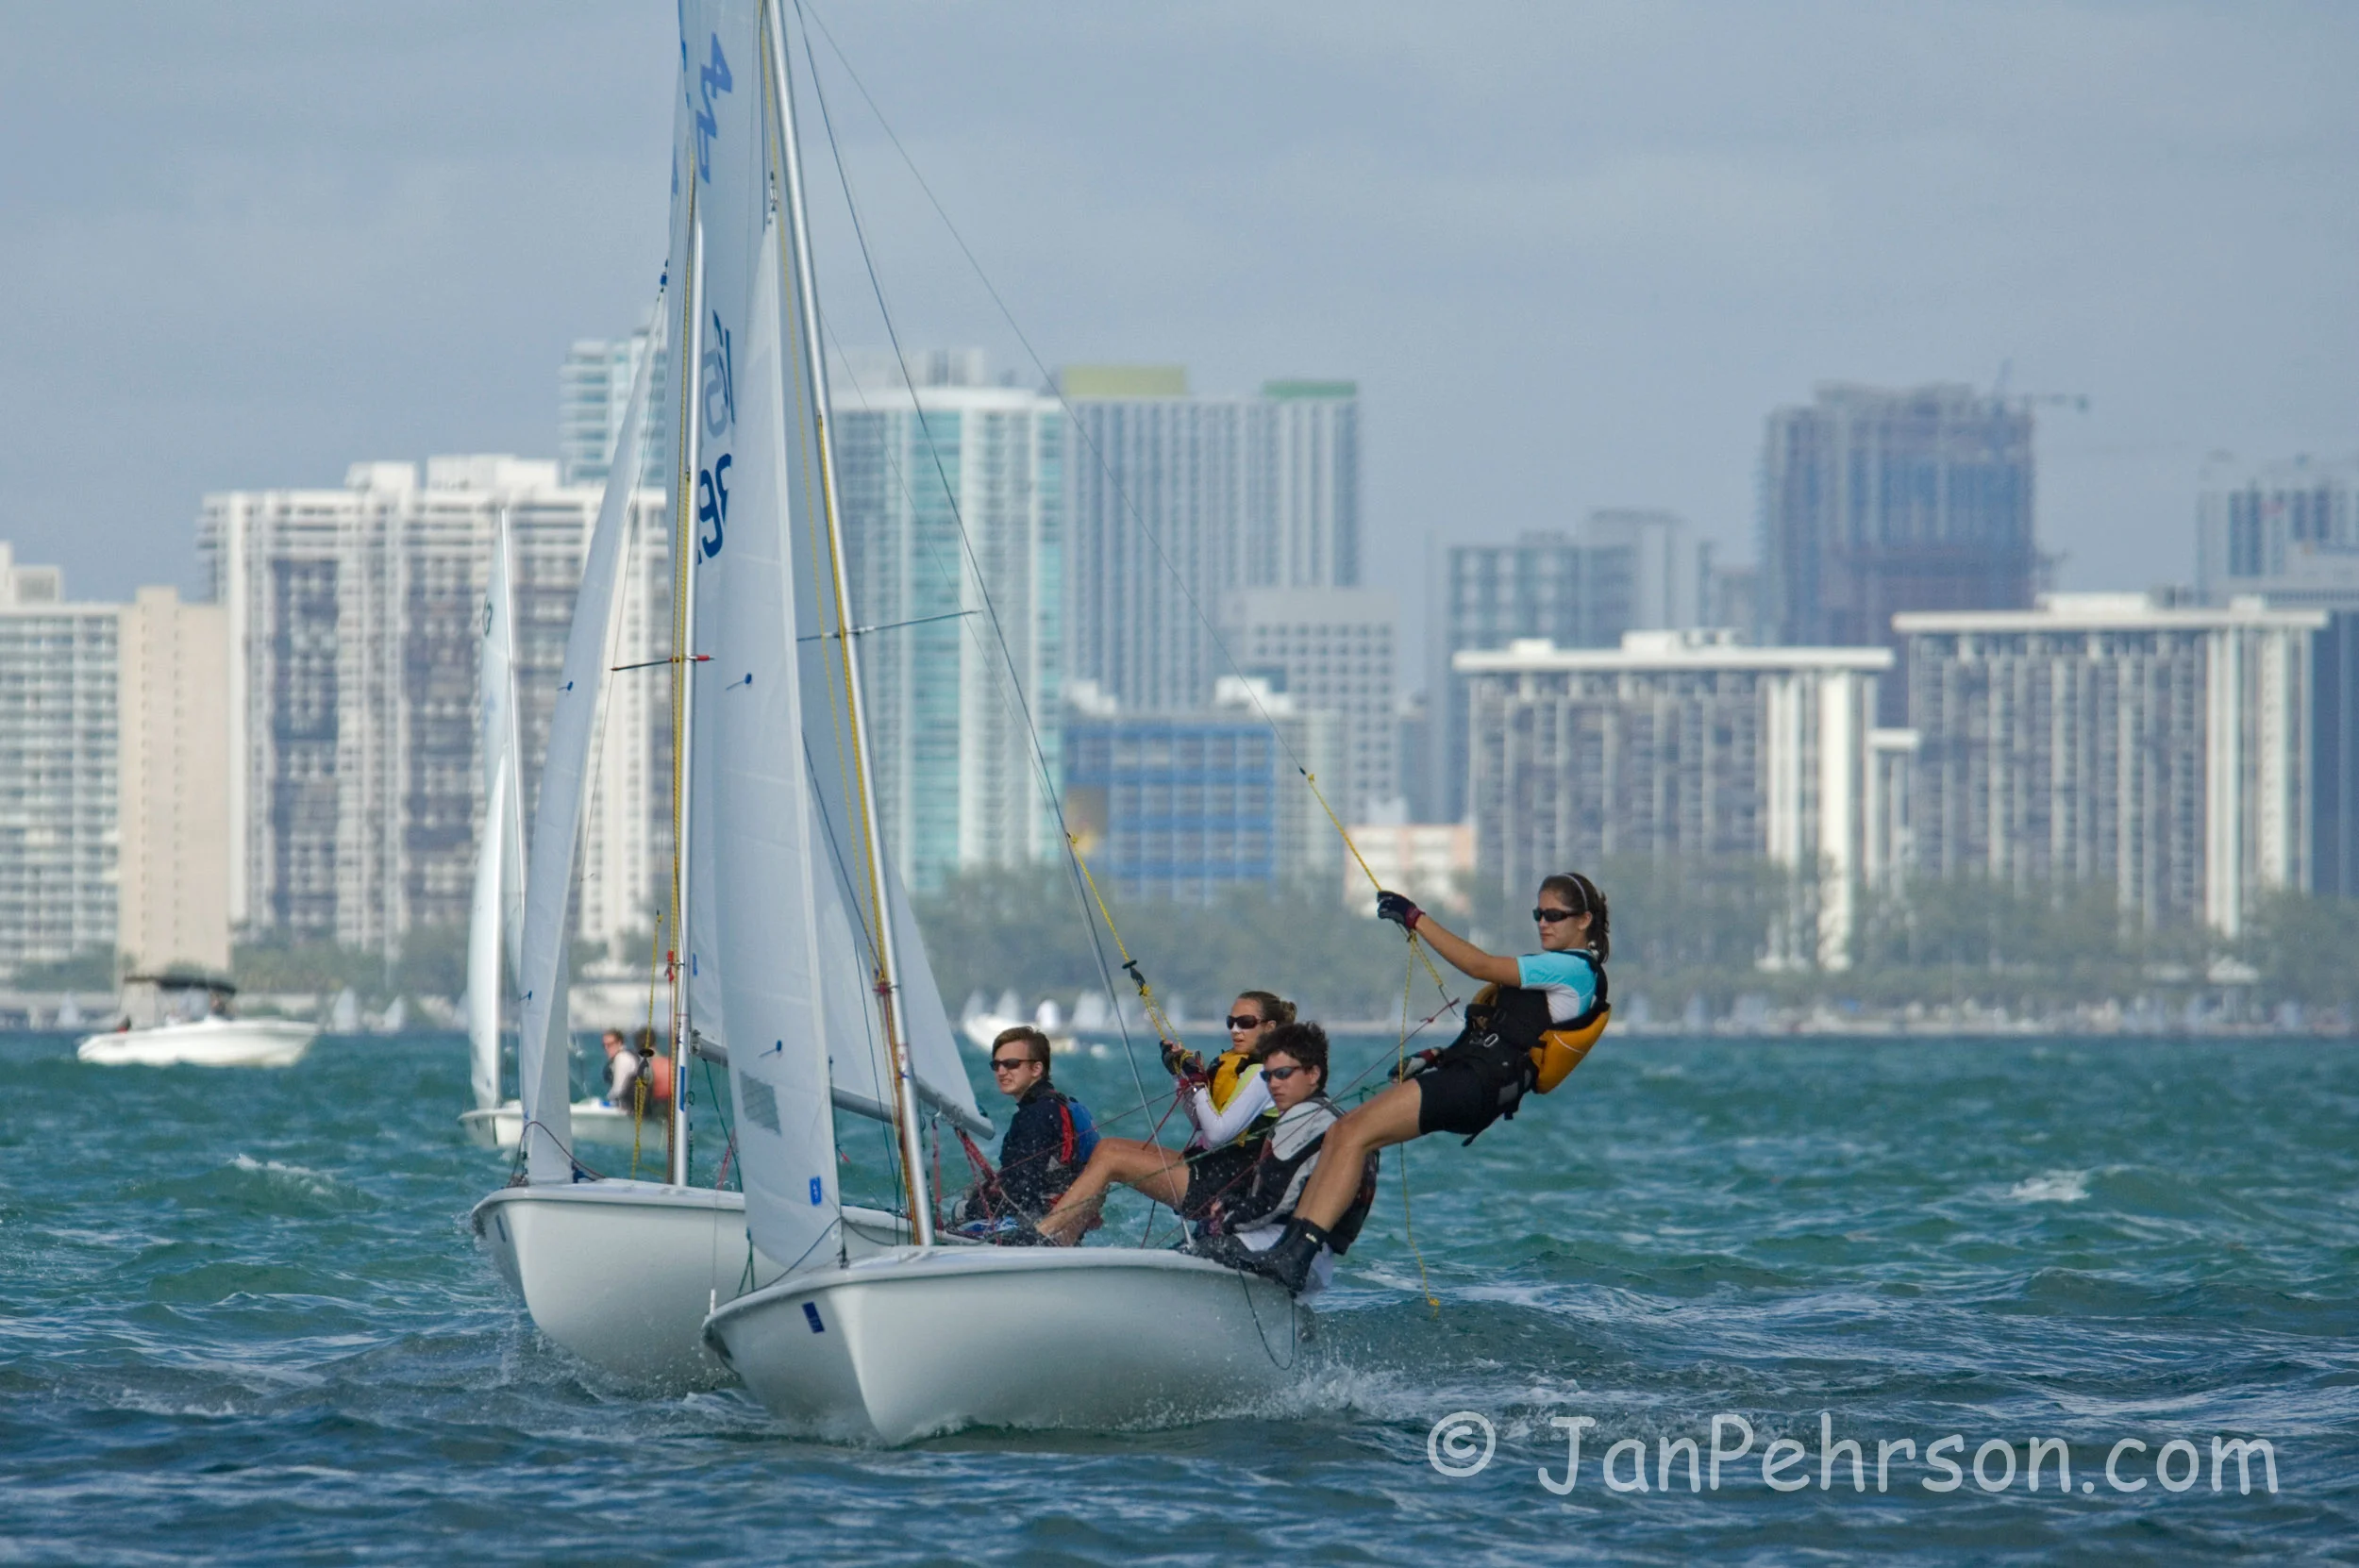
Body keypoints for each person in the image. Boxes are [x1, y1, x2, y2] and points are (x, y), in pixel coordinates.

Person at [1221, 872, 1611, 1294]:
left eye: (1554, 914)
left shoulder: (1574, 969)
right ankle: (1292, 1250)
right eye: (1539, 913)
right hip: (1468, 1078)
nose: (1543, 923)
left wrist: (1415, 917)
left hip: (1476, 1086)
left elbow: (1477, 965)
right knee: (1344, 1134)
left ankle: (1296, 1256)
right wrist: (1437, 1055)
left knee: (1351, 1134)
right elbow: (1505, 1036)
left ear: (1584, 920)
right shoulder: (1553, 972)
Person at [1034, 991, 1293, 1243]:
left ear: (1270, 1027)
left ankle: (1042, 1233)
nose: (1235, 1030)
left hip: (1223, 1184)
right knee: (1107, 1147)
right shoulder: (1246, 1068)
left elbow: (1215, 1136)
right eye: (1231, 1022)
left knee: (1113, 1159)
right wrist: (1180, 1077)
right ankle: (1065, 1238)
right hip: (1209, 1167)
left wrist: (1197, 1084)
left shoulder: (1262, 1075)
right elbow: (1200, 1124)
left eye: (1246, 1023)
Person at [1194, 1022, 1377, 1299]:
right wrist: (1234, 1203)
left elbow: (1273, 1202)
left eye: (1283, 1074)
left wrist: (1224, 1222)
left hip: (1283, 1248)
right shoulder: (1340, 1119)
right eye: (1268, 1077)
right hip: (1316, 1262)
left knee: (1195, 1251)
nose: (1274, 1085)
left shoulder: (1302, 1119)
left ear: (1313, 1073)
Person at [957, 1025, 1099, 1232]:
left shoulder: (1035, 1116)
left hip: (1036, 1224)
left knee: (959, 1211)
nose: (1001, 1072)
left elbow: (1022, 1192)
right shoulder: (1063, 1104)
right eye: (996, 1065)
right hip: (1067, 1220)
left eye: (1011, 1064)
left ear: (1036, 1069)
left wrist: (969, 1209)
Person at [601, 1029, 641, 1105]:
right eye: (604, 1045)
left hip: (632, 1107)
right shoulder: (627, 1054)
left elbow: (618, 1089)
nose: (606, 1049)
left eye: (609, 1045)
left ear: (619, 1043)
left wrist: (606, 1101)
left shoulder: (621, 1058)